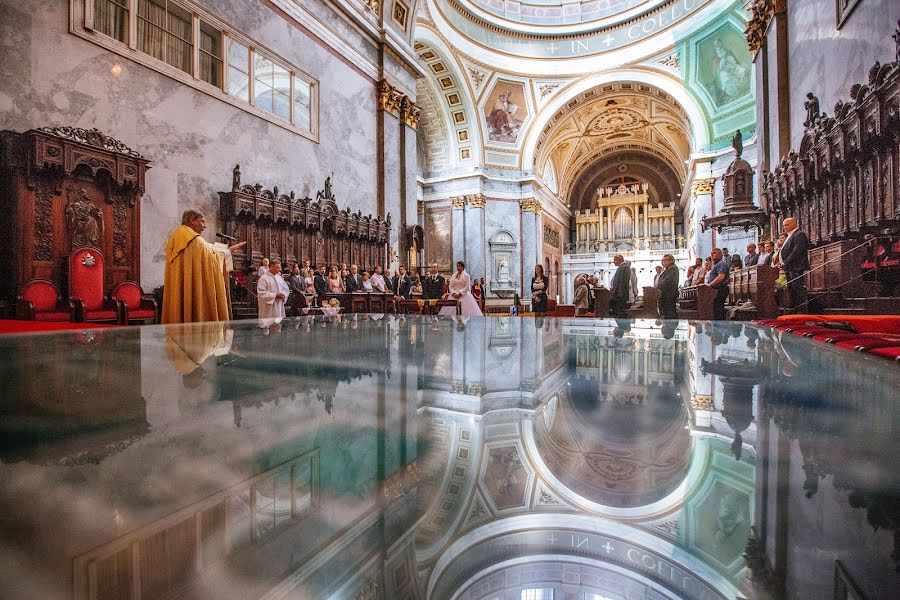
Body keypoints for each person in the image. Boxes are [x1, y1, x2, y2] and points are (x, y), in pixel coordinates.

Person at [161, 209, 245, 324]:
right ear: (192, 220)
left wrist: (225, 250)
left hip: (178, 287)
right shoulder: (195, 239)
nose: (204, 226)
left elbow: (208, 248)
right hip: (194, 288)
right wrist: (228, 251)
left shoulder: (176, 236)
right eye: (202, 221)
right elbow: (212, 258)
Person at [779, 217, 810, 311]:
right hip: (789, 267)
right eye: (784, 225)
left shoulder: (799, 234)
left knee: (798, 288)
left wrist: (786, 262)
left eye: (787, 225)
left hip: (796, 266)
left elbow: (797, 251)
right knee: (792, 289)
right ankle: (795, 309)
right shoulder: (790, 235)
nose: (785, 227)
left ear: (794, 224)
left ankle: (802, 309)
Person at [703, 248, 730, 320]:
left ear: (720, 254)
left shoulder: (722, 263)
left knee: (718, 309)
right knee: (716, 309)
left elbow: (721, 276)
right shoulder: (716, 264)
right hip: (715, 290)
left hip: (720, 289)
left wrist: (710, 285)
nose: (712, 254)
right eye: (711, 253)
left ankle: (720, 326)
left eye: (714, 253)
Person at [656, 254, 679, 319]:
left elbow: (668, 280)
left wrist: (659, 285)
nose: (663, 262)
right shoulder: (668, 268)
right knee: (667, 311)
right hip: (666, 293)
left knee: (670, 312)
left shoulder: (672, 268)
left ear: (671, 261)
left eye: (665, 260)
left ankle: (670, 326)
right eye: (663, 260)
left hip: (670, 293)